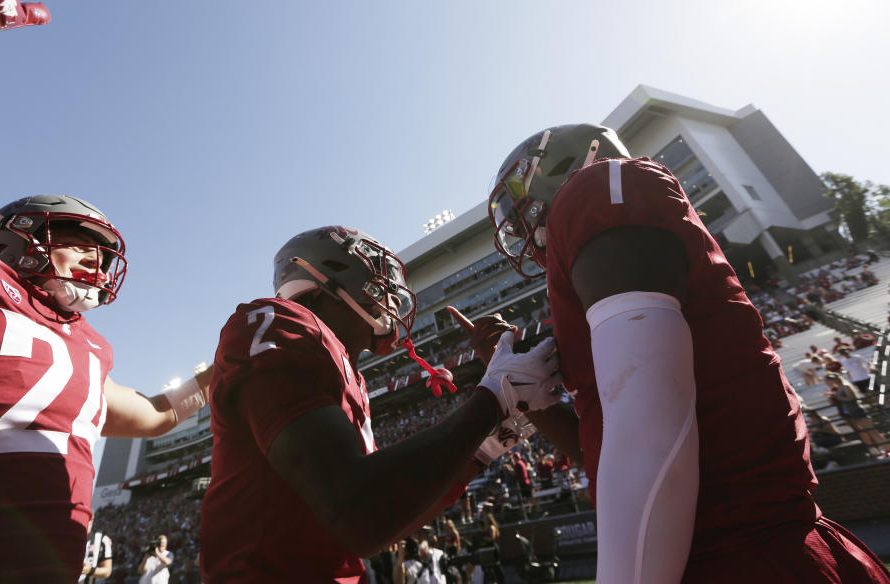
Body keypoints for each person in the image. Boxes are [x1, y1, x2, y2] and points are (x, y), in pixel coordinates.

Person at [475, 123, 890, 582]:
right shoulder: (605, 249)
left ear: (562, 171)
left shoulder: (597, 189)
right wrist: (541, 404)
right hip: (741, 549)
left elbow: (649, 437)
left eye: (522, 212)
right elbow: (617, 447)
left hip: (742, 554)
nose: (522, 229)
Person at [0, 0, 211, 581]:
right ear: (15, 239)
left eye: (104, 251)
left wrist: (224, 369)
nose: (95, 258)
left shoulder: (84, 350)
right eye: (79, 240)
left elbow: (160, 414)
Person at [199, 226, 565, 583]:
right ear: (327, 277)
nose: (390, 294)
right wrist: (493, 400)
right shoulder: (279, 321)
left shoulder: (350, 376)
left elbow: (386, 519)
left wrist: (480, 452)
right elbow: (358, 514)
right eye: (375, 273)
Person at [79, 512, 113, 584]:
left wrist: (90, 570)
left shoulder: (102, 540)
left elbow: (107, 571)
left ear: (92, 519)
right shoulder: (68, 539)